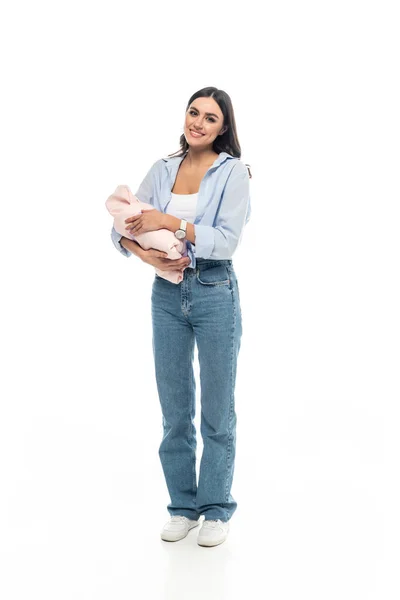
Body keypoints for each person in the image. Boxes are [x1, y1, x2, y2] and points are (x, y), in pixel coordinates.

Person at [110, 87, 252, 547]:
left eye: (210, 118)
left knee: (216, 411)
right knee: (174, 410)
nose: (198, 123)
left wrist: (168, 223)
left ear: (223, 127)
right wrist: (150, 259)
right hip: (166, 295)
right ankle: (183, 506)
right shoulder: (162, 169)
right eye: (194, 112)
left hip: (214, 291)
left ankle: (215, 509)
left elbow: (226, 241)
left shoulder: (233, 174)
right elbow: (124, 228)